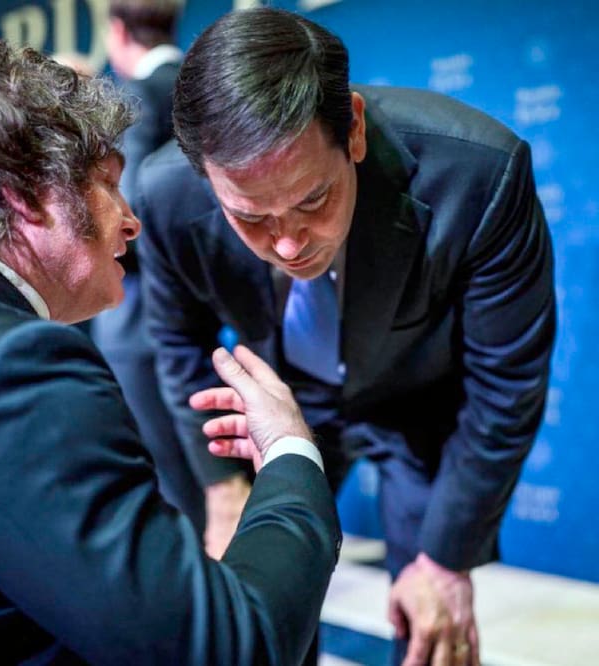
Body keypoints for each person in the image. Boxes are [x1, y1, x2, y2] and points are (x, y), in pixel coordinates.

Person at [0, 40, 342, 664]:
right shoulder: (17, 373)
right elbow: (225, 648)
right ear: (22, 197)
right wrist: (289, 453)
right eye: (107, 183)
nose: (130, 219)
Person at [136, 8, 555, 666]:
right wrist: (222, 489)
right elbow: (176, 345)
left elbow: (508, 382)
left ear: (353, 128)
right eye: (250, 217)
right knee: (260, 611)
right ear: (206, 179)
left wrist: (446, 563)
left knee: (433, 631)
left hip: (417, 405)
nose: (287, 242)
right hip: (282, 403)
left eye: (313, 199)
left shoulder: (478, 175)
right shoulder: (162, 196)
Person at [91, 0, 205, 529]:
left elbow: (124, 219)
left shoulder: (138, 95)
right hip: (212, 309)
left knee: (176, 485)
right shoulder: (203, 84)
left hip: (140, 321)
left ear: (116, 32)